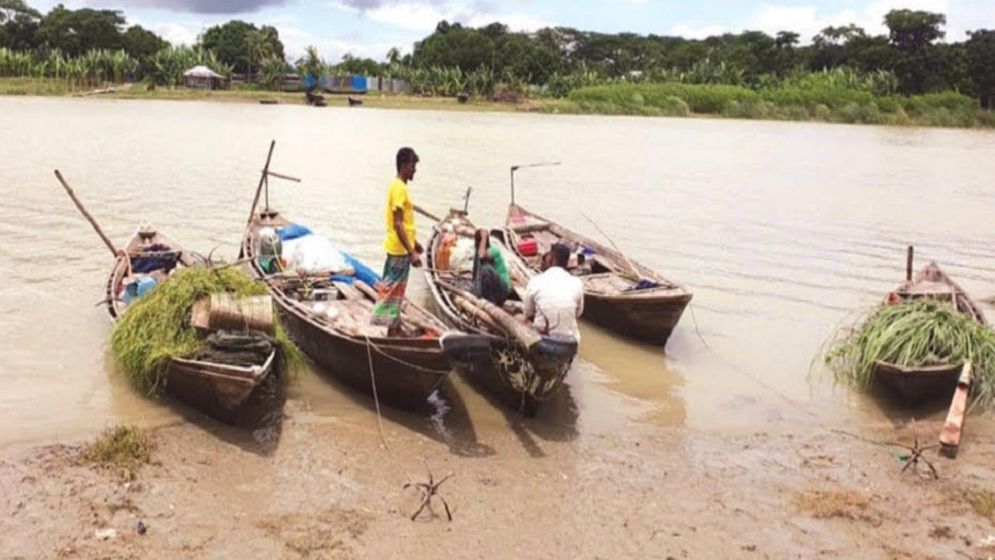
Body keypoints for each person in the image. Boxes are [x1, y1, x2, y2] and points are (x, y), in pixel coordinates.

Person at [371, 147, 423, 336]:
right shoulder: (400, 188)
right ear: (403, 166)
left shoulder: (396, 185)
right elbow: (398, 223)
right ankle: (392, 331)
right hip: (400, 250)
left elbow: (405, 223)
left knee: (397, 291)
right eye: (412, 166)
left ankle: (395, 326)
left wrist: (414, 243)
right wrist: (411, 251)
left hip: (399, 246)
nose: (414, 170)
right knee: (394, 290)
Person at [524, 242, 584, 341]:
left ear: (551, 259)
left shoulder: (535, 281)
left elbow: (528, 313)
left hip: (542, 340)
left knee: (520, 318)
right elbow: (578, 313)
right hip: (570, 342)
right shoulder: (578, 283)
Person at [472, 228, 511, 306]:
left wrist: (484, 238)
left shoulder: (493, 250)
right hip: (490, 291)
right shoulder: (477, 252)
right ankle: (486, 299)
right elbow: (475, 275)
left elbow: (482, 255)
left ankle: (491, 303)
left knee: (486, 269)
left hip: (501, 291)